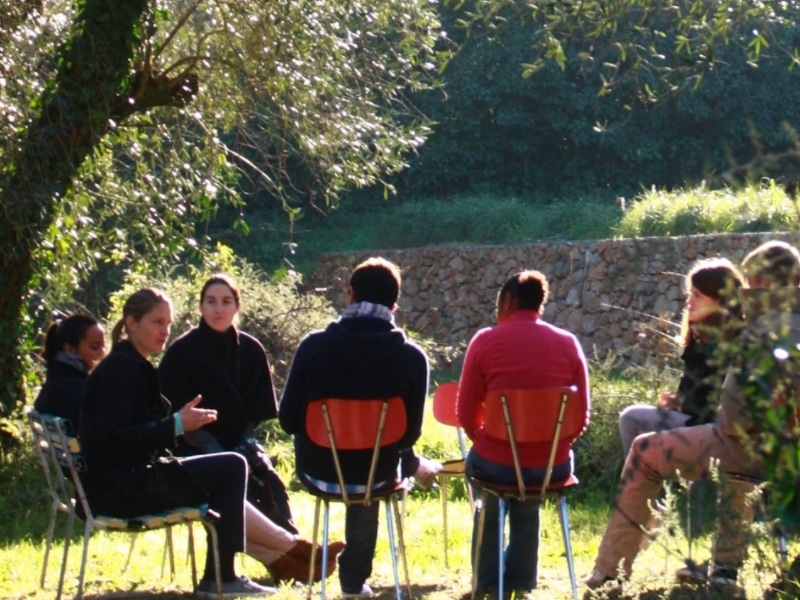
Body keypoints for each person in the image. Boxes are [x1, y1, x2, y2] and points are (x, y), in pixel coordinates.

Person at [586, 240, 800, 591]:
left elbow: (733, 424)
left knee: (645, 450)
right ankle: (723, 570)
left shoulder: (761, 327)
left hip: (749, 451)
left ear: (763, 283)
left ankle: (608, 575)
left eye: (749, 281)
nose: (744, 290)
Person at [79, 288, 315, 598]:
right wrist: (176, 425)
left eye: (168, 323)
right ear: (131, 323)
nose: (165, 331)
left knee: (230, 467)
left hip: (125, 479)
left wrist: (173, 427)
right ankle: (251, 566)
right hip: (121, 488)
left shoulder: (131, 363)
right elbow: (115, 440)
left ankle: (281, 557)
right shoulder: (121, 370)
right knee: (230, 468)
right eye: (157, 322)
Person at [158, 274, 340, 583]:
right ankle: (296, 554)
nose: (218, 309)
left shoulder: (251, 350)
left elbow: (254, 412)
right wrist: (214, 448)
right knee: (227, 479)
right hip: (190, 445)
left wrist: (239, 445)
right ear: (201, 307)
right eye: (211, 302)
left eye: (226, 302)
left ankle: (291, 559)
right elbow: (169, 414)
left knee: (266, 480)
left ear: (237, 306)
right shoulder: (181, 352)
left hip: (239, 439)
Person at [279, 257, 442, 599]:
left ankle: (345, 580)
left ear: (349, 295)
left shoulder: (313, 346)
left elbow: (288, 420)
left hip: (319, 469)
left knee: (363, 467)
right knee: (372, 476)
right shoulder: (412, 358)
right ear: (394, 306)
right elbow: (408, 435)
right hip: (377, 474)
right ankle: (353, 583)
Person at [456, 270, 591, 599]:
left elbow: (465, 414)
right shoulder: (568, 343)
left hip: (496, 462)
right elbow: (580, 418)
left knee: (491, 484)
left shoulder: (485, 341)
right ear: (540, 305)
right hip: (551, 466)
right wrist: (551, 448)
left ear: (507, 300)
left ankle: (487, 582)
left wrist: (489, 442)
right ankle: (520, 581)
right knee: (530, 488)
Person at [619, 258, 745, 457]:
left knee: (630, 418)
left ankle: (631, 484)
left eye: (697, 295)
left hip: (712, 429)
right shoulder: (700, 334)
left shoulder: (736, 342)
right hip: (692, 420)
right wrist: (677, 402)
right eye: (689, 294)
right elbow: (696, 389)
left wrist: (682, 406)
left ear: (720, 301)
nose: (689, 302)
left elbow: (719, 402)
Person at [34, 313, 105, 426]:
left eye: (103, 346)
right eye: (95, 347)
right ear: (70, 349)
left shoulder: (56, 378)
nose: (102, 353)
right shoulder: (77, 388)